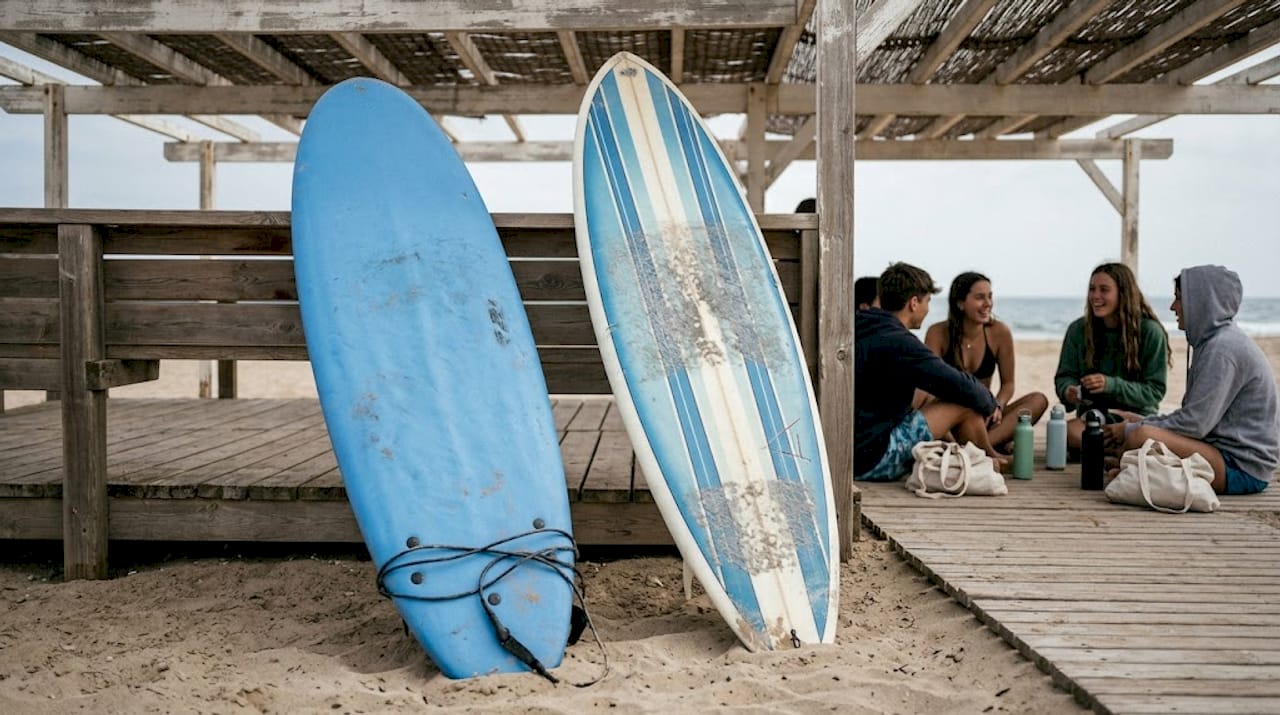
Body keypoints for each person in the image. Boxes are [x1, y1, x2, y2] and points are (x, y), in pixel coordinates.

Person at [1104, 266, 1279, 494]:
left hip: (1240, 467)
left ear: (1201, 302)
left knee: (1141, 436)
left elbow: (1194, 425)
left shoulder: (1222, 350)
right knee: (1139, 429)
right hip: (1218, 450)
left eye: (1179, 299)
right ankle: (1141, 472)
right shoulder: (1213, 342)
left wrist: (1133, 429)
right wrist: (1139, 420)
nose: (1173, 307)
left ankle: (1139, 473)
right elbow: (1196, 421)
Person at [855, 262, 1005, 481]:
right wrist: (990, 403)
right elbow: (956, 383)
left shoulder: (861, 324)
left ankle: (983, 457)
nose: (927, 309)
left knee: (931, 392)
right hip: (873, 459)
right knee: (963, 401)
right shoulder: (900, 342)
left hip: (846, 451)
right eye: (927, 301)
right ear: (914, 303)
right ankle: (989, 462)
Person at [923, 272, 1048, 452]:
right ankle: (985, 448)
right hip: (951, 421)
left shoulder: (999, 332)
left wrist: (998, 405)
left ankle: (973, 448)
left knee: (1038, 400)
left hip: (986, 415)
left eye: (990, 296)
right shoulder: (938, 333)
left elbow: (1008, 384)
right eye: (980, 297)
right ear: (960, 303)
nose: (988, 303)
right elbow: (928, 385)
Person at [1054, 262, 1170, 450]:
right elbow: (1064, 377)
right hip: (1093, 418)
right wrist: (1069, 391)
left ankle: (1109, 452)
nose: (1095, 296)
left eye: (1104, 290)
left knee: (1139, 437)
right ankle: (1114, 453)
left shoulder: (1150, 332)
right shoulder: (1078, 330)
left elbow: (1155, 391)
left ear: (1123, 294)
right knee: (1068, 433)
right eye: (1092, 289)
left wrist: (1111, 385)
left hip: (1134, 420)